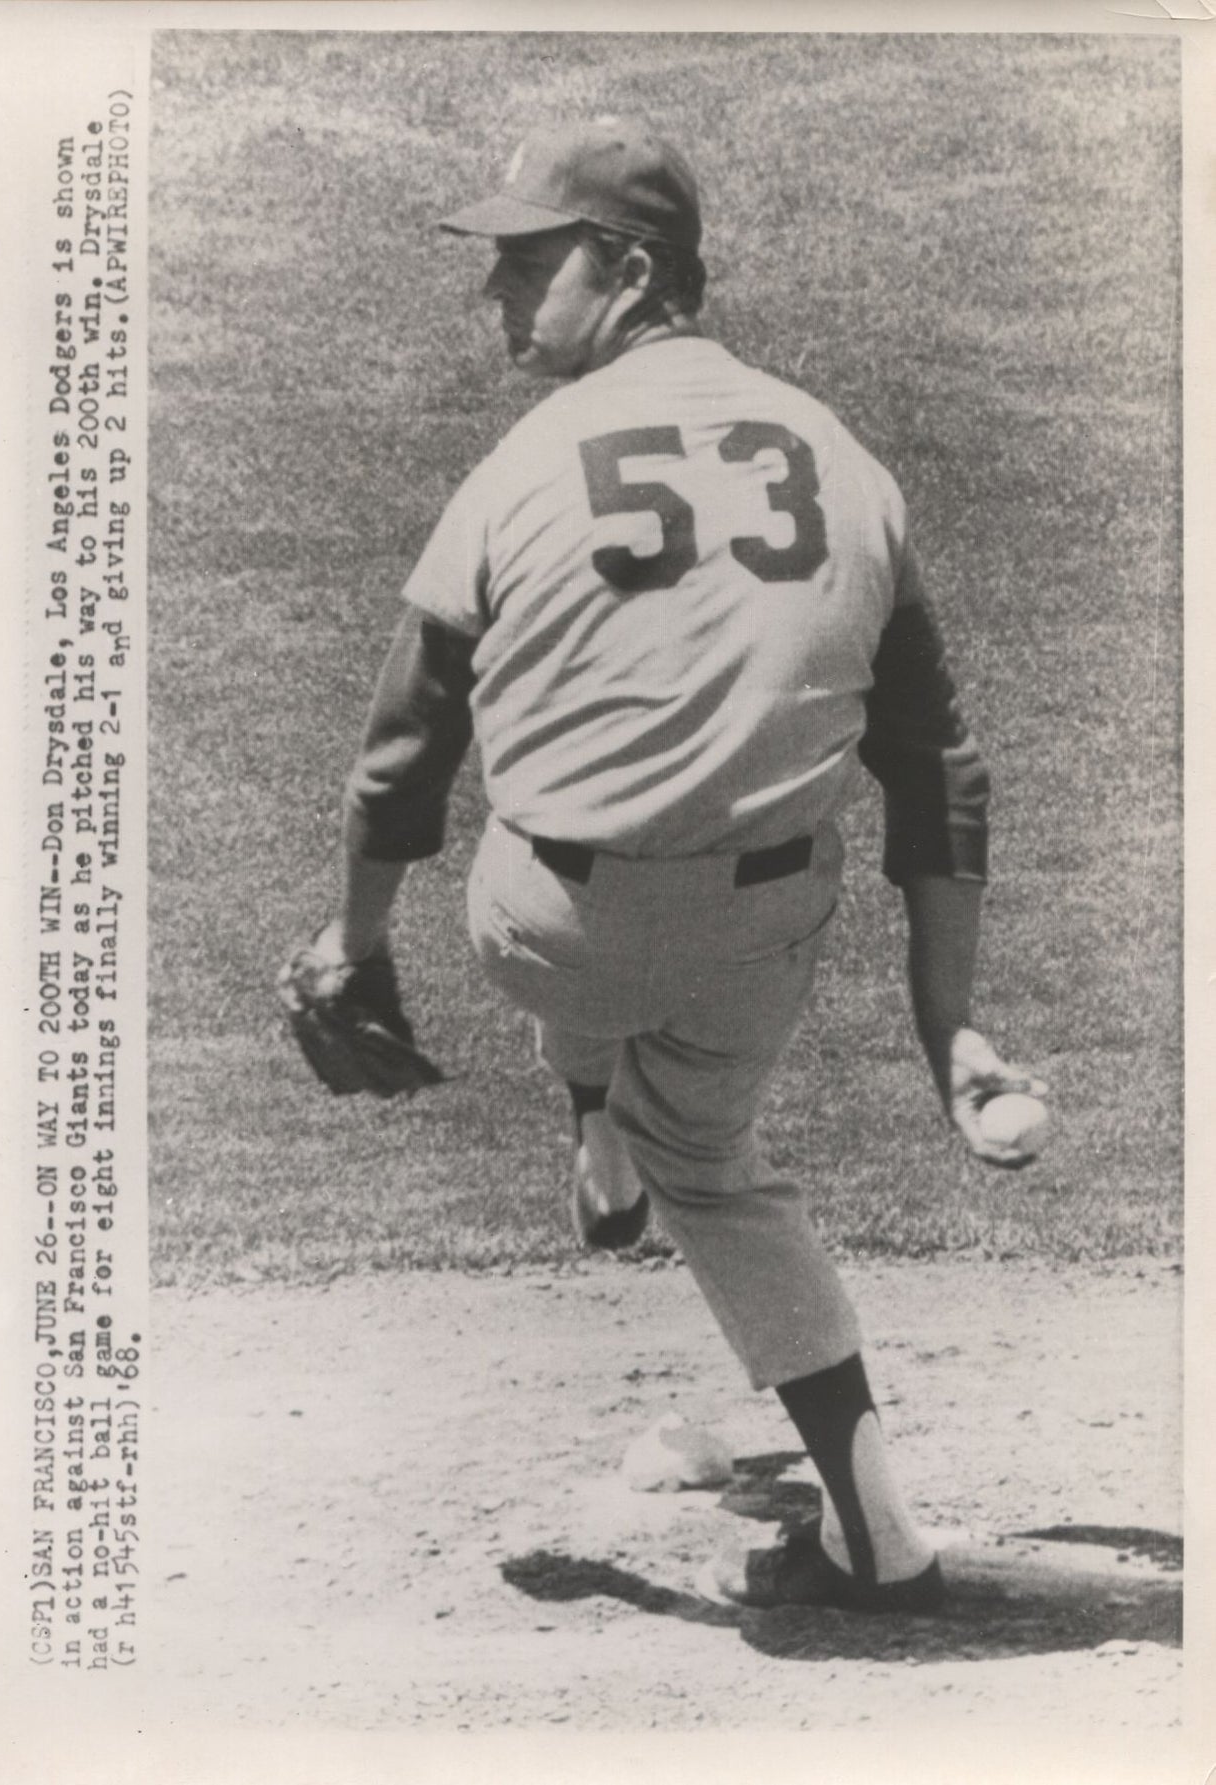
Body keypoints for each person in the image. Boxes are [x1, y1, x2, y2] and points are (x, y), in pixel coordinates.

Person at [313, 119, 1045, 1612]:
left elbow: (403, 747)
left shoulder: (517, 467)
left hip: (547, 927)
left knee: (558, 906)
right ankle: (872, 1527)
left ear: (630, 269)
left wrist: (350, 944)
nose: (500, 294)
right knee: (713, 1166)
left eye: (530, 259)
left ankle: (592, 1116)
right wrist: (946, 1025)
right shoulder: (844, 457)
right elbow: (936, 767)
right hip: (758, 931)